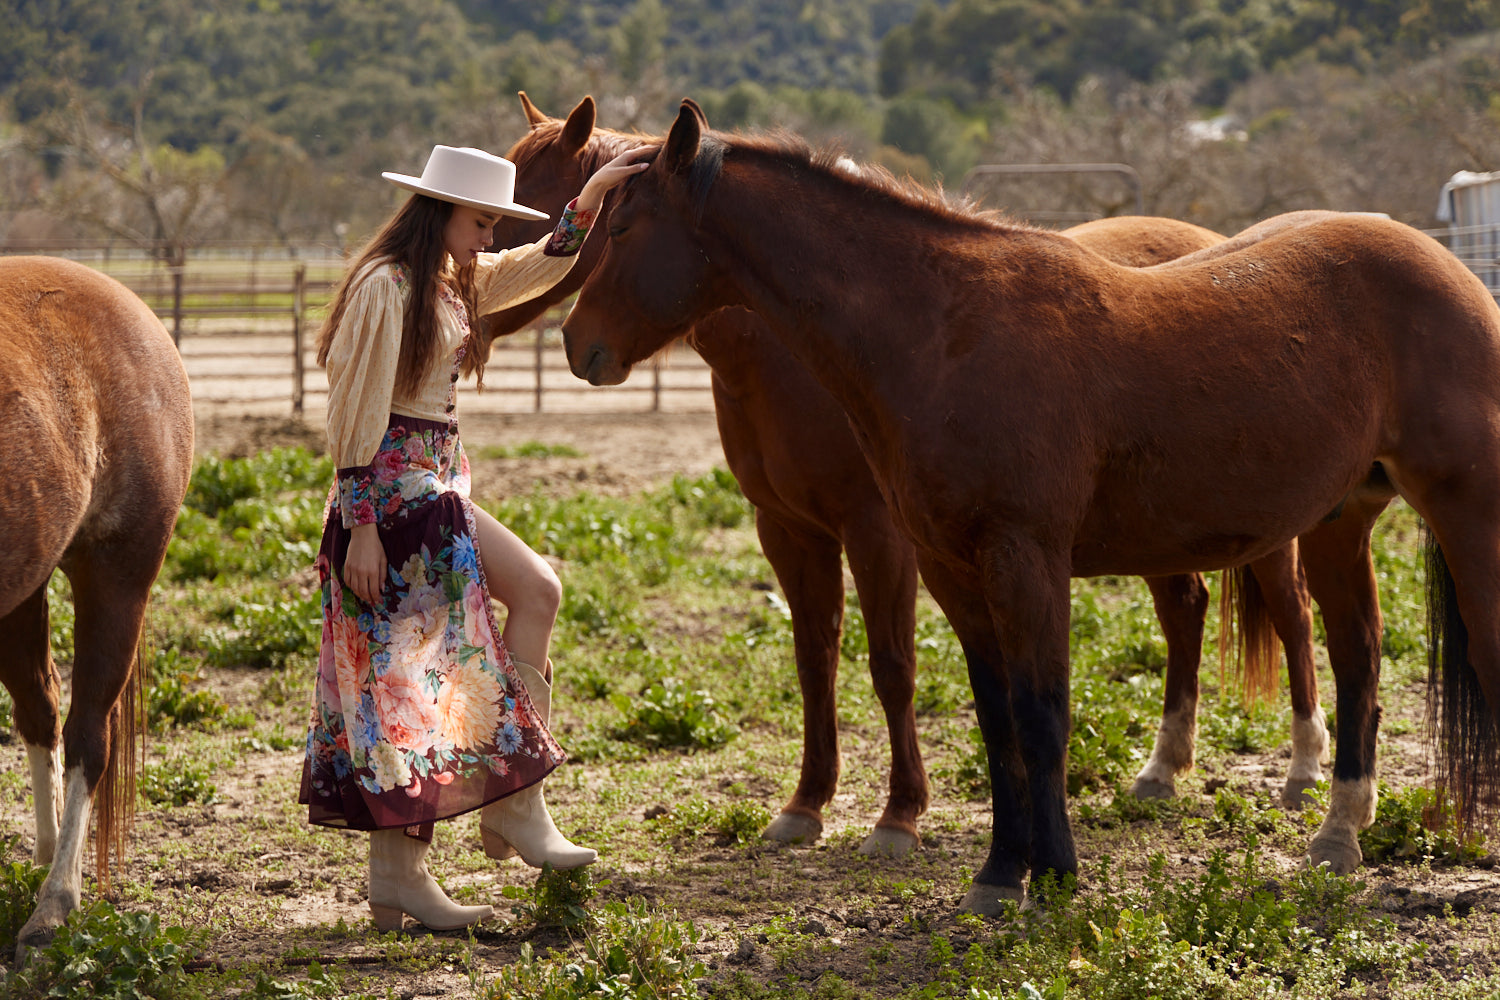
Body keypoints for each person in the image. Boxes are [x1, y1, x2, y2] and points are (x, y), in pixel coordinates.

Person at [299, 141, 652, 933]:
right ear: (439, 213)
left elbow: (538, 265)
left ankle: (467, 835)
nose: (488, 237)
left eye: (493, 222)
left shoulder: (451, 281)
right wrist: (359, 526)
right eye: (481, 220)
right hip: (391, 499)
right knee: (420, 673)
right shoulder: (385, 288)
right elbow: (352, 406)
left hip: (434, 487)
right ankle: (467, 836)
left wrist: (588, 203)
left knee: (456, 648)